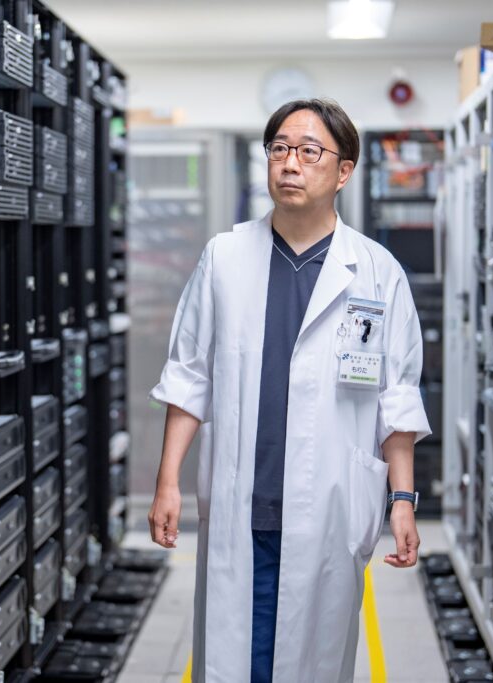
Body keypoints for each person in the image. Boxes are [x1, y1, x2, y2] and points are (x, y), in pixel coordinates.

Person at [147, 98, 431, 683]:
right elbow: (188, 375)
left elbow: (396, 400)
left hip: (329, 504)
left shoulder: (376, 272)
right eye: (279, 148)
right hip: (241, 506)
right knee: (237, 662)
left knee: (313, 664)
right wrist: (167, 482)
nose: (290, 164)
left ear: (344, 170)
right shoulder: (224, 258)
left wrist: (401, 501)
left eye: (309, 151)